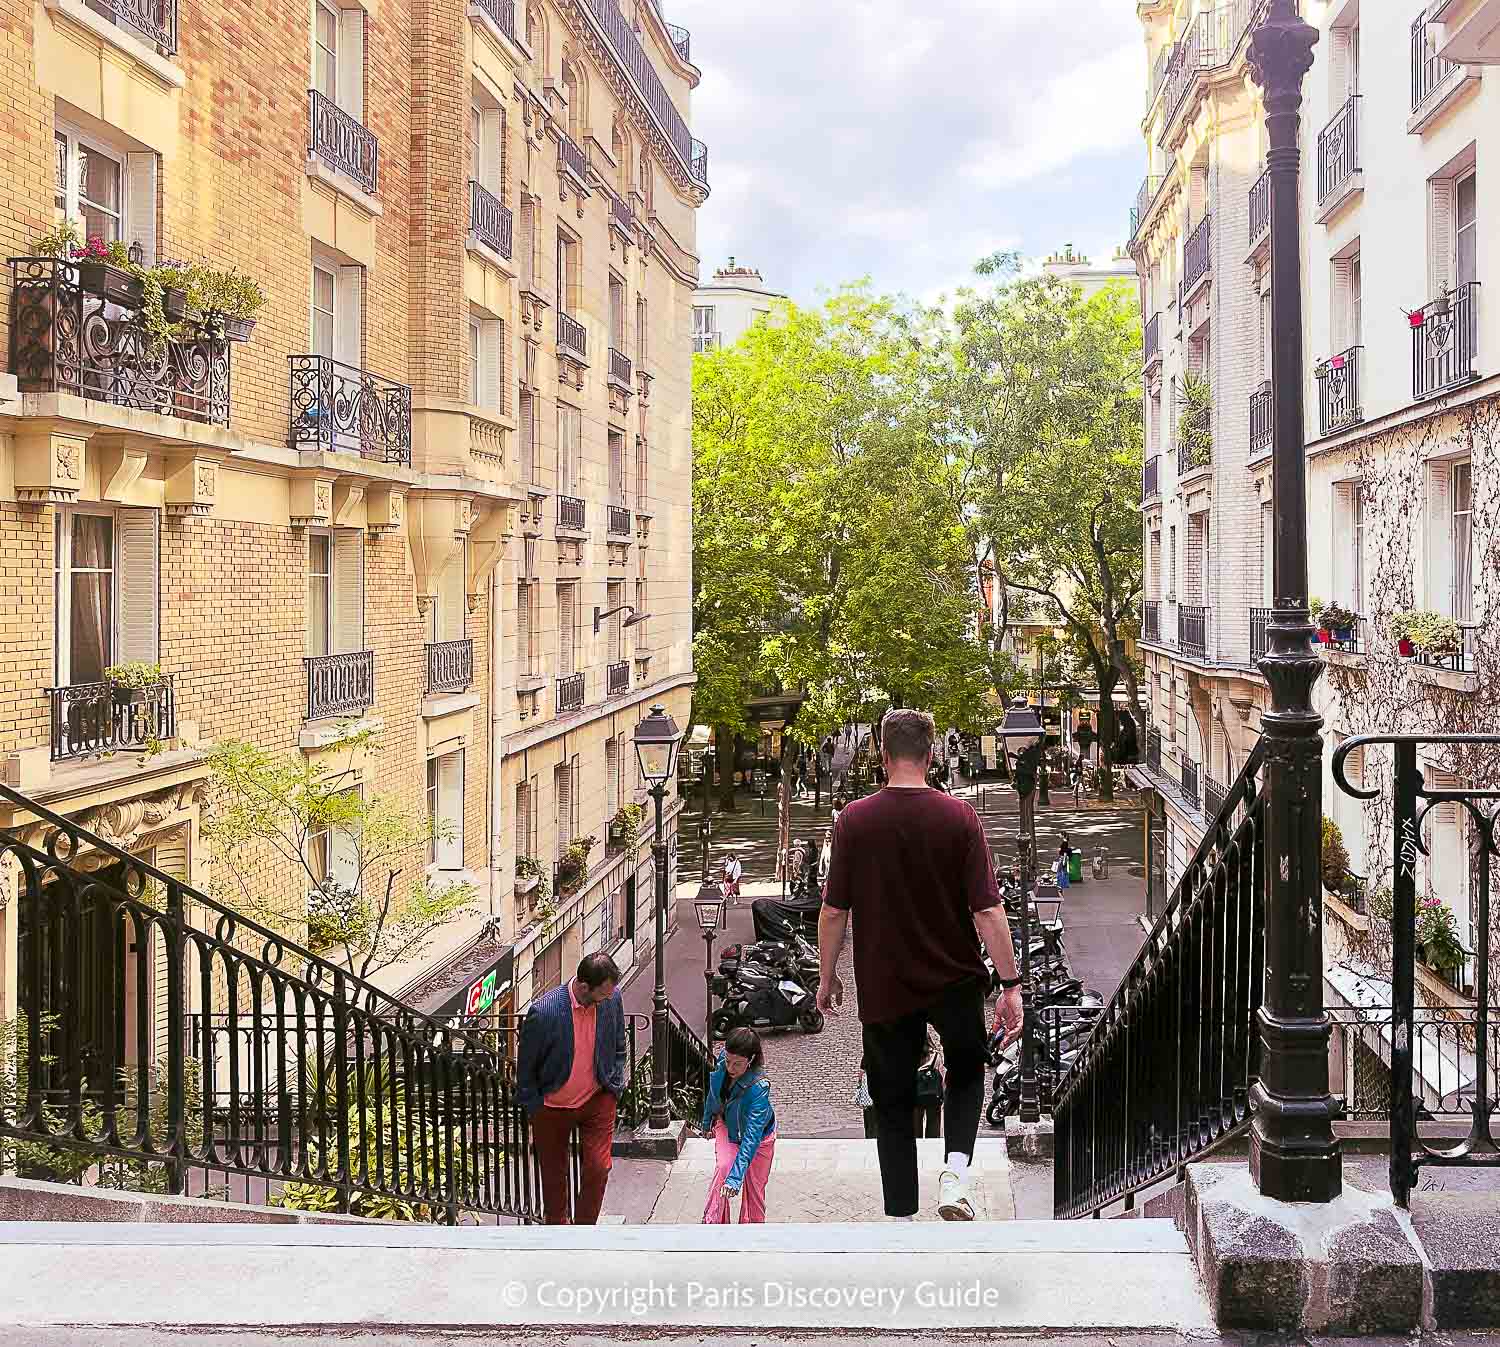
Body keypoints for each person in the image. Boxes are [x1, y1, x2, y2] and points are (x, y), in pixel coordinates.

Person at [818, 708, 1024, 1222]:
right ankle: (955, 1172)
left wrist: (827, 977)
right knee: (967, 1071)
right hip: (953, 978)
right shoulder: (959, 818)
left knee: (890, 1097)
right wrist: (1010, 983)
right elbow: (987, 911)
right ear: (931, 755)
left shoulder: (854, 821)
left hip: (885, 984)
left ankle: (901, 1210)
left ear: (882, 755)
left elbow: (832, 911)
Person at [516, 952, 628, 1225]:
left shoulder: (612, 998)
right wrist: (534, 1106)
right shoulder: (545, 1012)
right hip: (552, 1106)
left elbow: (618, 1044)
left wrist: (615, 1084)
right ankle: (559, 1233)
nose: (607, 998)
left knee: (599, 1167)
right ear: (583, 986)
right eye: (602, 993)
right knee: (554, 1178)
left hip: (597, 1097)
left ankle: (584, 1232)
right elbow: (526, 1066)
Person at [700, 1027, 777, 1223]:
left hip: (760, 1139)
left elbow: (752, 1138)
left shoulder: (759, 1088)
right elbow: (714, 1093)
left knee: (755, 1190)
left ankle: (752, 1232)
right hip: (728, 1125)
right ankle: (714, 1222)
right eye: (728, 1061)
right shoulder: (724, 1062)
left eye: (738, 1064)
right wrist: (707, 1121)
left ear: (750, 1060)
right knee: (724, 1168)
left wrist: (736, 1179)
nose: (730, 1068)